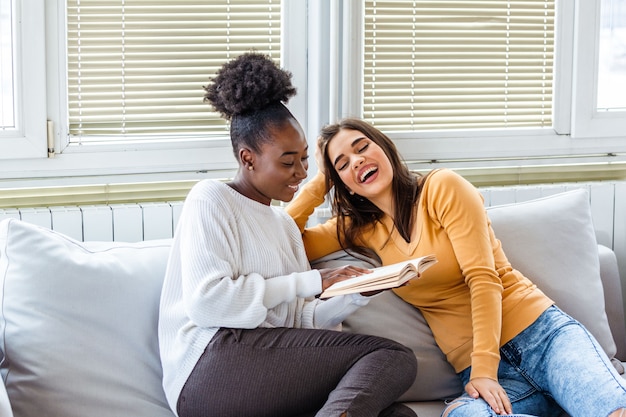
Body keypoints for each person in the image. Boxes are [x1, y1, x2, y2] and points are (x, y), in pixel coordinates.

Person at [285, 117, 626, 417]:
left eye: (362, 147)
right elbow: (284, 239)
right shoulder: (360, 229)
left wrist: (484, 369)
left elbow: (483, 279)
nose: (357, 161)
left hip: (542, 338)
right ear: (342, 181)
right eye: (342, 164)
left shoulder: (442, 187)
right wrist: (320, 181)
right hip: (485, 374)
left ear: (385, 149)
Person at [157, 54, 419, 417]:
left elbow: (300, 321)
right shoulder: (211, 198)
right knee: (392, 357)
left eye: (304, 160)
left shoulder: (284, 226)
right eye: (287, 161)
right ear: (248, 159)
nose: (300, 173)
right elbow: (208, 303)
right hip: (209, 367)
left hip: (267, 370)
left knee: (397, 415)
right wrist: (308, 281)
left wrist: (357, 294)